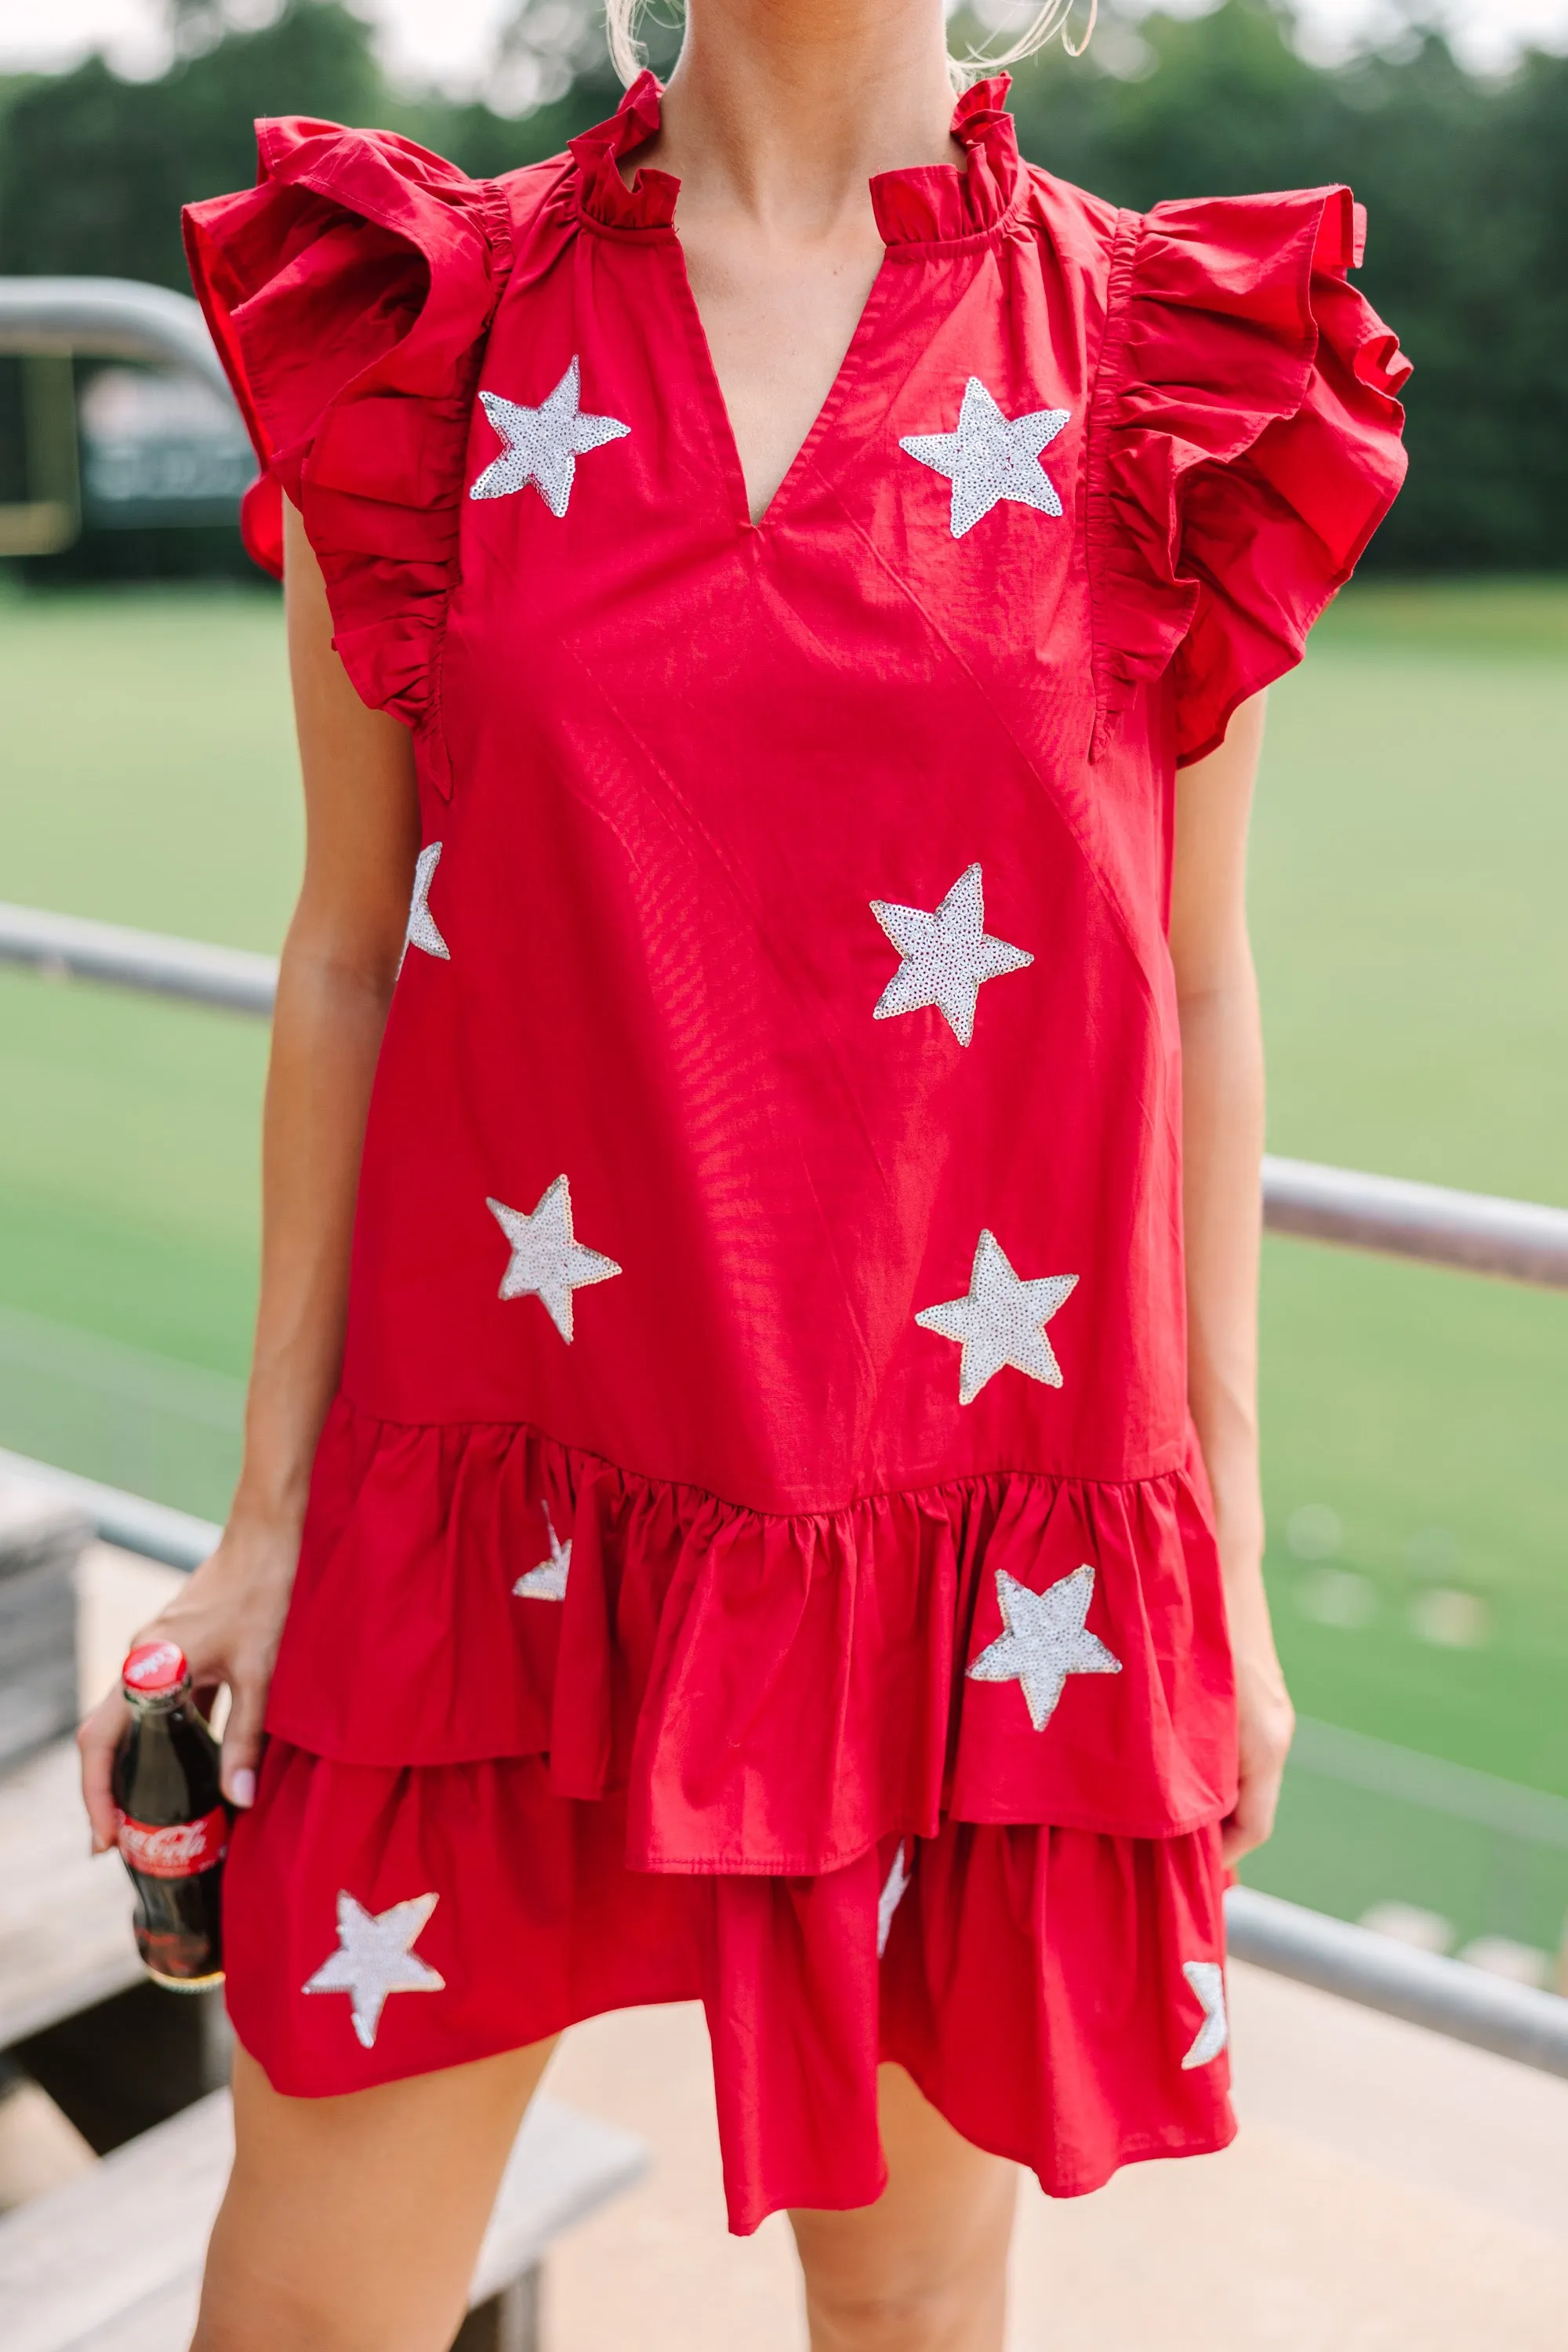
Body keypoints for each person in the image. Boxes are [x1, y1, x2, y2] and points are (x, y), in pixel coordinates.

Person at [79, 0, 1407, 2339]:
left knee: (904, 2317)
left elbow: (1195, 987)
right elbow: (343, 955)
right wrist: (270, 1513)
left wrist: (1227, 1561)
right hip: (480, 1499)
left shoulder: (1169, 353)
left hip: (967, 1548)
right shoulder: (425, 318)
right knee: (305, 2313)